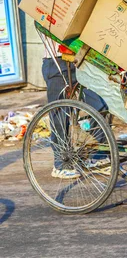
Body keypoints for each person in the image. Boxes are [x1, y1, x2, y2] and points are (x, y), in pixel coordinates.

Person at [42, 44, 109, 179]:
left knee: (99, 106)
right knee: (60, 115)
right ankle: (61, 163)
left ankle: (99, 156)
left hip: (82, 58)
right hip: (57, 61)